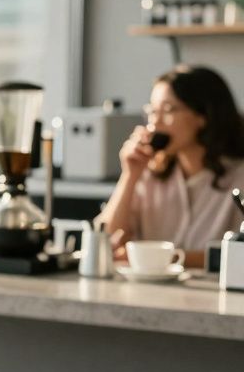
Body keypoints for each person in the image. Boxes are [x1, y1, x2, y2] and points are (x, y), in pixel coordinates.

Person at [99, 65, 244, 269]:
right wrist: (129, 176)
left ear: (203, 116)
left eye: (168, 110)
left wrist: (166, 258)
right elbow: (106, 241)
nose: (155, 122)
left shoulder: (239, 178)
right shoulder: (148, 174)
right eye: (152, 111)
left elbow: (239, 256)